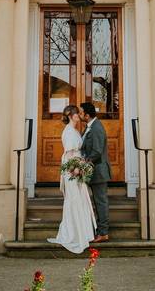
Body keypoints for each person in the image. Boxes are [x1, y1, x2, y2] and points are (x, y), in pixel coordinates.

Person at [46, 105, 96, 253]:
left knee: (80, 200)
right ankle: (74, 234)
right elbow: (69, 154)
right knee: (74, 200)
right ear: (71, 116)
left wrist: (81, 166)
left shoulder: (74, 130)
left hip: (78, 168)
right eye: (77, 114)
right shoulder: (68, 132)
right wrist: (75, 168)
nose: (79, 116)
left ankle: (84, 232)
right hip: (72, 171)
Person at [79, 101, 110, 243]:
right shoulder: (88, 127)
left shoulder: (97, 128)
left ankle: (103, 232)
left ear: (87, 114)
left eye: (81, 112)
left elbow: (97, 151)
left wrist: (82, 164)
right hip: (93, 171)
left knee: (100, 202)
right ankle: (98, 230)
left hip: (98, 171)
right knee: (97, 202)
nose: (79, 115)